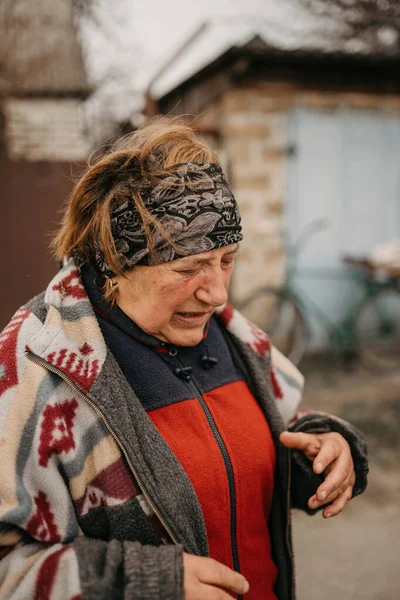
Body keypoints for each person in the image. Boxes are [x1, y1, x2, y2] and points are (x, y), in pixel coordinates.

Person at [0, 117, 368, 600]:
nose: (217, 292)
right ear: (116, 263)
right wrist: (142, 584)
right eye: (189, 267)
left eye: (227, 259)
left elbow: (272, 439)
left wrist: (324, 449)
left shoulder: (233, 335)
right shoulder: (37, 361)